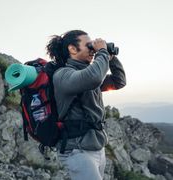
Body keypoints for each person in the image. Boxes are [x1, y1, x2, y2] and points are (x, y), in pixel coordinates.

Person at [46, 30, 126, 180]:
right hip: (77, 150)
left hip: (96, 146)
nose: (92, 49)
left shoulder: (87, 73)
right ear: (72, 49)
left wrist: (111, 58)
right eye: (89, 46)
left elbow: (118, 81)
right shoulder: (63, 75)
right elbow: (94, 77)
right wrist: (101, 51)